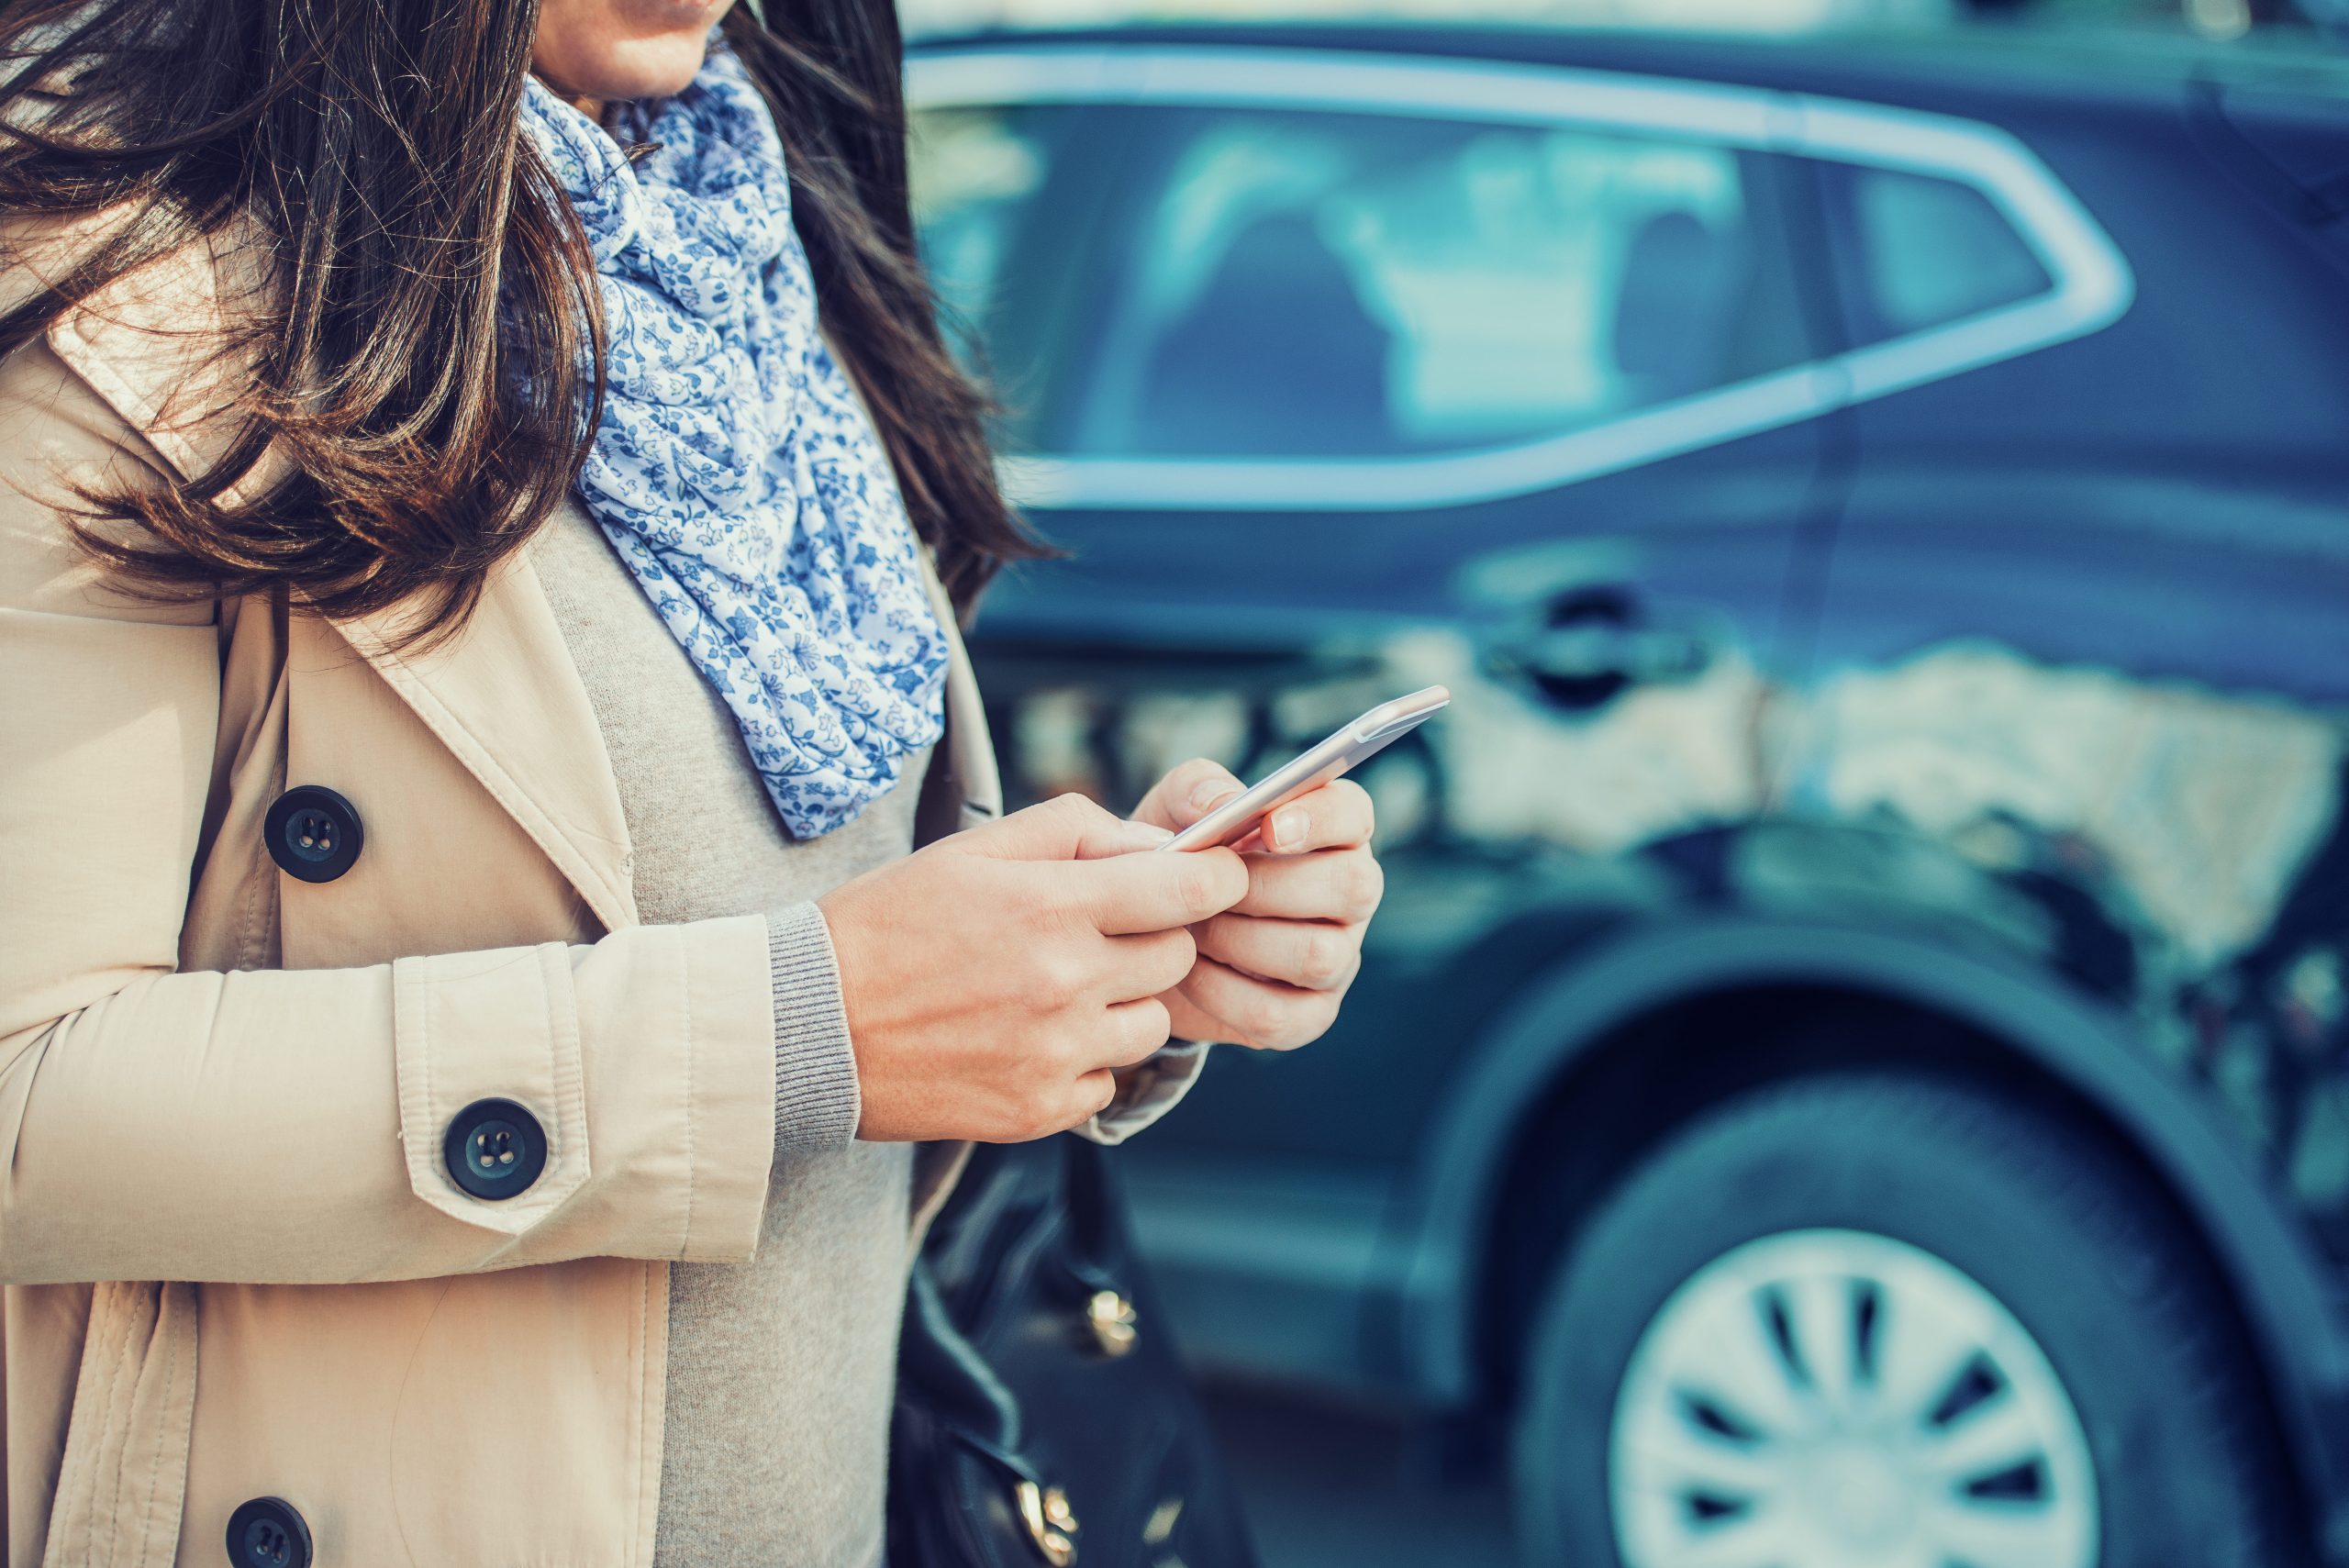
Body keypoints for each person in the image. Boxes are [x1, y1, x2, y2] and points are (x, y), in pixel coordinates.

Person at [0, 0, 1386, 1562]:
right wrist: (803, 1033)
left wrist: (1112, 944)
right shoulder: (125, 295)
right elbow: (26, 1091)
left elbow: (817, 915)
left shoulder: (751, 235)